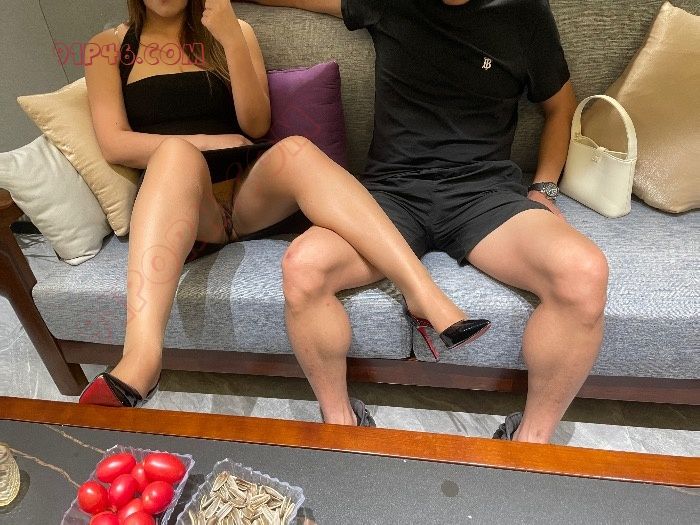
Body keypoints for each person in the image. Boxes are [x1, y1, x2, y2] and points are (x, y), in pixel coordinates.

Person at [77, 0, 491, 412]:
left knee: (296, 149)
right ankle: (142, 358)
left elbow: (256, 124)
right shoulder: (106, 47)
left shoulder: (234, 29)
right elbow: (114, 143)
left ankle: (421, 293)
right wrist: (204, 143)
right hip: (183, 208)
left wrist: (230, 38)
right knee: (174, 155)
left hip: (246, 195)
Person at [250, 0, 609, 442]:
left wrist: (544, 188)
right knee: (303, 265)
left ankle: (530, 443)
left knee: (584, 273)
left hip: (485, 195)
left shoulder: (523, 11)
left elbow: (561, 107)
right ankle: (341, 424)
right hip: (391, 195)